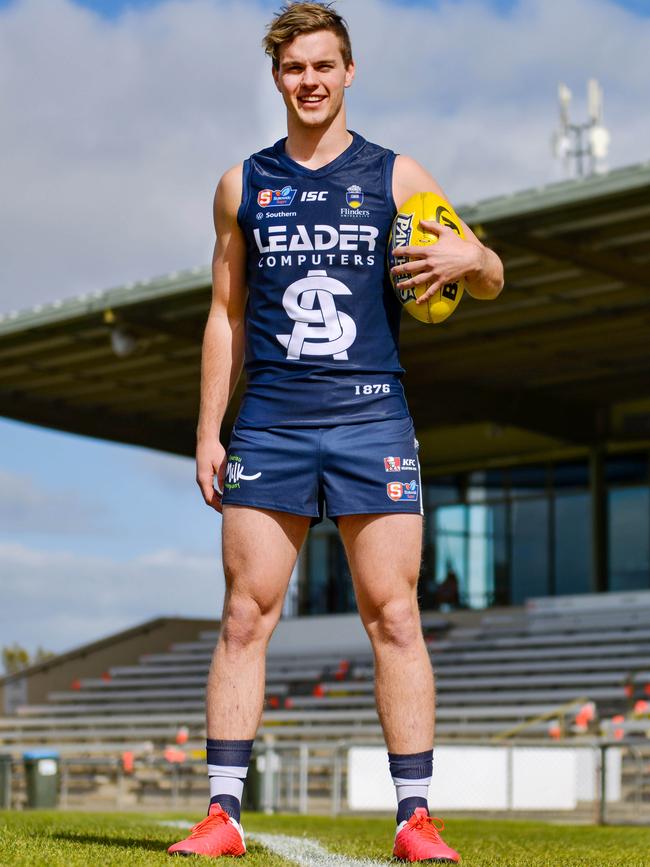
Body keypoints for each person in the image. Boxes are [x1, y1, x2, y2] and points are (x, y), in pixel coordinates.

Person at [168, 2, 503, 861]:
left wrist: (475, 257)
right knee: (245, 615)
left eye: (323, 65)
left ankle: (416, 818)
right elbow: (225, 314)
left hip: (371, 415)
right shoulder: (242, 184)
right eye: (293, 68)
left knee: (394, 614)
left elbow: (488, 274)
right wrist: (210, 428)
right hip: (272, 419)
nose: (309, 81)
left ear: (348, 72)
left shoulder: (396, 176)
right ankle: (223, 814)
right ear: (277, 77)